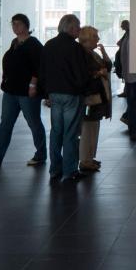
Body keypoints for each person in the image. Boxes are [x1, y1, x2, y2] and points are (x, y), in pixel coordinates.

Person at [0, 14, 45, 169]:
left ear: (26, 26)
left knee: (34, 123)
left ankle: (41, 154)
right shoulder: (15, 43)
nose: (15, 27)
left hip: (26, 92)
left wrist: (33, 85)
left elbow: (39, 67)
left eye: (18, 24)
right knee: (5, 124)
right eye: (13, 24)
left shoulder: (34, 44)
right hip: (11, 91)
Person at [38, 14, 91, 184]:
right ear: (70, 28)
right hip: (71, 95)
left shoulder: (49, 45)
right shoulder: (75, 48)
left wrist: (46, 94)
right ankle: (70, 171)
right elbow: (81, 73)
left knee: (56, 132)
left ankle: (55, 169)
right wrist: (83, 91)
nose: (79, 29)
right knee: (70, 134)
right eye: (78, 27)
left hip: (54, 94)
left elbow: (43, 71)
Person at [77, 26, 111, 173]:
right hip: (89, 98)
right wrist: (98, 73)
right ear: (88, 38)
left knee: (93, 127)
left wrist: (103, 52)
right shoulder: (82, 54)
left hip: (97, 97)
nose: (98, 39)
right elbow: (85, 74)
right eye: (95, 36)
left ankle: (89, 158)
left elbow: (108, 65)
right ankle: (85, 160)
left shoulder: (92, 53)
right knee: (88, 129)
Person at [115, 19, 129, 97]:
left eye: (122, 25)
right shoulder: (127, 33)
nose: (121, 26)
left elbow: (119, 43)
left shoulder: (128, 34)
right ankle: (126, 91)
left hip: (125, 58)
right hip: (123, 57)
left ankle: (126, 92)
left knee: (126, 74)